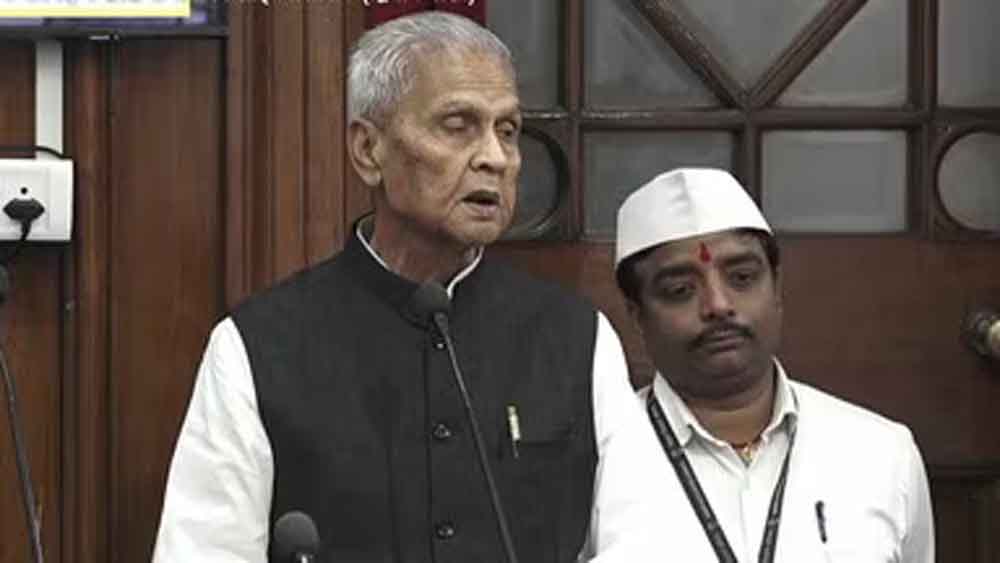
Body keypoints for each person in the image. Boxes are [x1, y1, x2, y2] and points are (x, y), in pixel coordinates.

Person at [152, 12, 665, 563]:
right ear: (368, 150)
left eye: (508, 131)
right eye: (458, 125)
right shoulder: (257, 346)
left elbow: (643, 545)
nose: (495, 158)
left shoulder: (576, 338)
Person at [614, 168, 935, 562]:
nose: (718, 305)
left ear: (776, 288)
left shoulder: (880, 452)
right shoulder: (597, 461)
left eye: (742, 277)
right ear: (637, 315)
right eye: (680, 290)